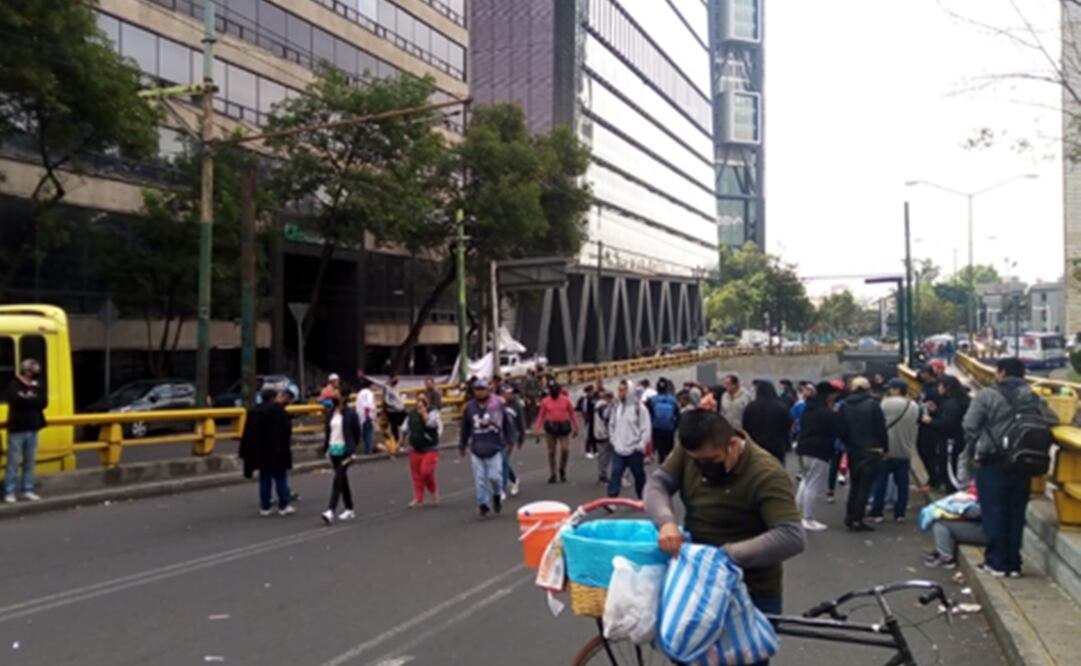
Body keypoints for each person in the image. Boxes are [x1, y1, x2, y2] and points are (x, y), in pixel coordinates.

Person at [646, 409, 806, 621]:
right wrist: (666, 523)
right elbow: (658, 484)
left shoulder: (766, 474)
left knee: (746, 644)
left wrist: (726, 555)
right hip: (699, 580)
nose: (703, 467)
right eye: (696, 461)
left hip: (750, 589)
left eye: (712, 460)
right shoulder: (692, 451)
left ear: (733, 445)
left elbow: (791, 535)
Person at [959, 357, 1058, 577]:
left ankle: (996, 562)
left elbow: (969, 425)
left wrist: (983, 442)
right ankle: (1014, 564)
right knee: (1015, 513)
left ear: (1001, 372)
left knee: (994, 512)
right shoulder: (1033, 396)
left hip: (993, 461)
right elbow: (1053, 419)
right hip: (1022, 463)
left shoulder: (987, 395)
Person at [868, 379, 921, 524]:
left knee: (881, 482)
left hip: (887, 450)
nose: (889, 391)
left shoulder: (886, 403)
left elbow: (878, 423)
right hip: (905, 451)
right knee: (902, 485)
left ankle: (877, 512)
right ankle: (900, 514)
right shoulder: (914, 406)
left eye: (891, 388)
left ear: (897, 390)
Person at [795, 382, 845, 532]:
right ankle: (808, 518)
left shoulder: (808, 408)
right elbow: (837, 429)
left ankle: (797, 514)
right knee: (813, 485)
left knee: (805, 482)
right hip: (818, 450)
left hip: (803, 447)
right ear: (828, 395)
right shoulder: (826, 412)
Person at [841, 376, 888, 531]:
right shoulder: (873, 405)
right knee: (865, 486)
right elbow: (881, 429)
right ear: (867, 388)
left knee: (854, 484)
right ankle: (857, 518)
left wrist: (848, 443)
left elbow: (842, 428)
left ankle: (849, 515)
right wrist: (885, 448)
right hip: (871, 449)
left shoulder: (845, 405)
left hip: (854, 449)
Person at [239, 388, 295, 516]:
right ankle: (283, 506)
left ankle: (265, 507)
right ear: (273, 397)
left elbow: (249, 433)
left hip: (262, 451)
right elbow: (286, 429)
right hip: (278, 449)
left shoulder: (255, 411)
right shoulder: (278, 410)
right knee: (280, 478)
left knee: (265, 478)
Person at [459, 379, 507, 519]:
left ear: (488, 390)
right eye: (477, 390)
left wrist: (510, 439)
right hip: (477, 448)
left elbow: (506, 422)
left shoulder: (496, 405)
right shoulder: (469, 408)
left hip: (494, 446)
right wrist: (462, 444)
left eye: (482, 389)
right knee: (480, 479)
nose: (479, 392)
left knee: (495, 477)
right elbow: (465, 428)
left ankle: (497, 495)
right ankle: (483, 504)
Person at [4, 359, 46, 503]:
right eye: (34, 370)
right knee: (13, 462)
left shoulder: (37, 384)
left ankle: (27, 489)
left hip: (33, 427)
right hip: (17, 428)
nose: (36, 373)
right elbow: (16, 401)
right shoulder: (14, 385)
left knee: (30, 461)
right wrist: (32, 399)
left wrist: (27, 398)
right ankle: (9, 491)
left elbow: (43, 402)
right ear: (27, 371)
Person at [922, 376, 969, 492]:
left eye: (940, 386)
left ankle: (952, 491)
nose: (938, 388)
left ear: (947, 388)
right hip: (953, 439)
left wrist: (930, 421)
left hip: (950, 440)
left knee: (950, 469)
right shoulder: (954, 401)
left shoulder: (952, 404)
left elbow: (948, 424)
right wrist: (936, 411)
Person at [607, 380, 651, 499]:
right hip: (619, 448)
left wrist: (641, 445)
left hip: (634, 449)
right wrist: (613, 440)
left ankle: (642, 497)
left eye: (623, 390)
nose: (620, 393)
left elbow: (646, 428)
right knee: (615, 473)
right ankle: (612, 498)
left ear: (629, 391)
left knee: (638, 475)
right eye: (619, 390)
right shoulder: (617, 407)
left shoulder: (639, 408)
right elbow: (612, 424)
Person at [321, 396, 361, 525]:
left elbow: (357, 432)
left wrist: (352, 449)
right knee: (342, 480)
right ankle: (349, 508)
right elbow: (328, 432)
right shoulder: (330, 412)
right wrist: (326, 448)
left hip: (346, 451)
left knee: (338, 478)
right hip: (334, 449)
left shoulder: (350, 413)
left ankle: (330, 510)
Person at [399, 393, 442, 508]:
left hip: (430, 448)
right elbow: (404, 428)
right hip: (415, 448)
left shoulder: (433, 412)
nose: (420, 402)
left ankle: (433, 491)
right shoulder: (411, 414)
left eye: (423, 400)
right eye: (418, 400)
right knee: (417, 475)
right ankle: (418, 498)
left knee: (426, 472)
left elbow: (431, 424)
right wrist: (400, 442)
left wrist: (424, 413)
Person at [535, 381, 579, 483]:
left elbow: (572, 414)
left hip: (563, 427)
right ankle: (553, 473)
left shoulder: (566, 400)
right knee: (551, 452)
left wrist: (576, 427)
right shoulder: (545, 401)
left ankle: (562, 469)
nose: (554, 391)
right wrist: (538, 428)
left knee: (565, 449)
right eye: (552, 390)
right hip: (551, 428)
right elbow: (541, 415)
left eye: (555, 389)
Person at [742, 380, 793, 466]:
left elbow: (745, 426)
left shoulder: (751, 407)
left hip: (756, 445)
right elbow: (788, 424)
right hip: (777, 444)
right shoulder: (781, 407)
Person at [916, 365, 944, 489]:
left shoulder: (935, 388)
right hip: (923, 422)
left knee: (930, 452)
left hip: (931, 424)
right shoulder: (925, 387)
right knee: (923, 450)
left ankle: (935, 479)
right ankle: (933, 477)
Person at [500, 383, 526, 497]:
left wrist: (521, 439)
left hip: (511, 436)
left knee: (503, 461)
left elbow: (521, 423)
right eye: (505, 394)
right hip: (498, 436)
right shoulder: (498, 404)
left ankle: (502, 488)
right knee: (501, 462)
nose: (507, 396)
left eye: (509, 394)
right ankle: (514, 479)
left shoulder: (517, 406)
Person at [649, 378, 680, 463]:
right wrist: (675, 427)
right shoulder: (673, 400)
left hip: (656, 428)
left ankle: (662, 461)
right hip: (669, 428)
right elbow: (677, 414)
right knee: (669, 449)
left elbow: (650, 415)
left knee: (660, 449)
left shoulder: (652, 400)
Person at [593, 389, 613, 484]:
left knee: (602, 455)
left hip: (598, 433)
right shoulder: (604, 406)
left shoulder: (598, 405)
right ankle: (603, 475)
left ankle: (602, 475)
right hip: (604, 433)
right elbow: (607, 419)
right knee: (606, 456)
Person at [380, 374, 407, 442]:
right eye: (395, 378)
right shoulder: (386, 388)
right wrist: (394, 405)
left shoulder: (396, 387)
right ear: (390, 379)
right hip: (392, 411)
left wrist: (401, 401)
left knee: (404, 423)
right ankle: (396, 441)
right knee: (394, 427)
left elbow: (398, 397)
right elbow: (386, 400)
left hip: (399, 410)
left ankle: (400, 440)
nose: (396, 380)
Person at [354, 378, 377, 455]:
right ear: (370, 385)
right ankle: (369, 451)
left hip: (361, 416)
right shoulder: (369, 393)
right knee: (369, 434)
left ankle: (367, 451)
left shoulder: (360, 393)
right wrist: (371, 416)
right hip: (367, 415)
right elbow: (368, 404)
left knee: (365, 434)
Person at [576, 385, 597, 459]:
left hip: (594, 419)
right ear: (588, 391)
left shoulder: (594, 398)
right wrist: (586, 418)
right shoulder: (585, 399)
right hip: (588, 420)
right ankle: (587, 451)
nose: (593, 392)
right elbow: (584, 410)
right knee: (588, 436)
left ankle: (595, 450)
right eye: (592, 390)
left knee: (594, 435)